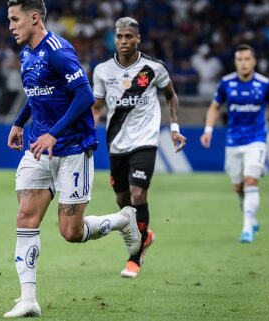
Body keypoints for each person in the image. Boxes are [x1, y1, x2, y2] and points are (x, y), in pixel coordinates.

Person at [5, 1, 141, 317]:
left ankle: (123, 220)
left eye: (15, 19)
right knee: (25, 217)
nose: (11, 26)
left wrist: (53, 133)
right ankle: (28, 300)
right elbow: (35, 94)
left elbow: (83, 97)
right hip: (39, 148)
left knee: (71, 233)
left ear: (34, 18)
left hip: (71, 150)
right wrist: (18, 122)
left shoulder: (59, 52)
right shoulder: (26, 52)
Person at [91, 17, 187, 279]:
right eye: (120, 36)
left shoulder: (152, 68)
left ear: (138, 38)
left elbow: (171, 96)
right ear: (114, 38)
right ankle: (145, 234)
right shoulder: (102, 71)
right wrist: (88, 133)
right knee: (123, 201)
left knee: (137, 194)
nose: (124, 41)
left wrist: (175, 127)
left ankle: (136, 254)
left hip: (145, 141)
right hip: (116, 144)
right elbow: (97, 106)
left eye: (129, 37)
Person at [200, 44, 269, 243]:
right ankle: (251, 219)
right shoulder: (226, 83)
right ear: (235, 62)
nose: (243, 63)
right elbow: (214, 107)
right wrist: (208, 130)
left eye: (247, 59)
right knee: (239, 187)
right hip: (233, 142)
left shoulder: (265, 84)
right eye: (239, 59)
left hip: (257, 140)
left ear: (253, 61)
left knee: (251, 180)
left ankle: (247, 229)